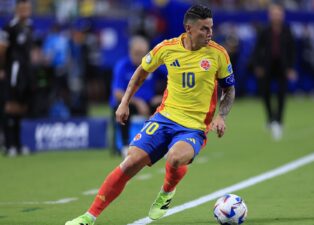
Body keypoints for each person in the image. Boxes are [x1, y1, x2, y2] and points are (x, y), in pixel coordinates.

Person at [65, 4, 235, 225]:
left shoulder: (218, 54)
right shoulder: (167, 48)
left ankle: (167, 191)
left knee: (174, 158)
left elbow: (229, 88)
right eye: (204, 29)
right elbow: (141, 73)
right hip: (164, 118)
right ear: (189, 29)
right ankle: (89, 217)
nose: (210, 34)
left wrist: (221, 116)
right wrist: (124, 103)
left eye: (211, 28)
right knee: (129, 163)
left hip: (193, 126)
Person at [110, 35, 164, 156]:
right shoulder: (122, 66)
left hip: (149, 102)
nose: (140, 57)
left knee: (165, 108)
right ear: (130, 51)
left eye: (143, 53)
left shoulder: (152, 65)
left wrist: (163, 96)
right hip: (129, 103)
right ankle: (124, 146)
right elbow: (117, 92)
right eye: (137, 53)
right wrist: (137, 102)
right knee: (120, 109)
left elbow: (172, 78)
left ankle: (162, 145)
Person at [251, 3, 296, 140]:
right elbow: (258, 49)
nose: (276, 16)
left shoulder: (287, 30)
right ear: (270, 15)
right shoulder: (265, 30)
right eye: (274, 13)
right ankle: (270, 119)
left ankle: (279, 120)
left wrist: (291, 68)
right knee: (265, 93)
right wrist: (258, 66)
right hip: (267, 66)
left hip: (282, 66)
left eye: (279, 13)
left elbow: (292, 50)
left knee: (282, 94)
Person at [0, 0, 33, 156]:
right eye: (23, 8)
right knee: (10, 106)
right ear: (17, 9)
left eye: (28, 8)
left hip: (25, 72)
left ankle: (18, 145)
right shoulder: (9, 28)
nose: (26, 11)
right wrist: (1, 69)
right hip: (13, 71)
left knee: (22, 106)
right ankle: (9, 144)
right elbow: (2, 50)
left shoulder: (29, 27)